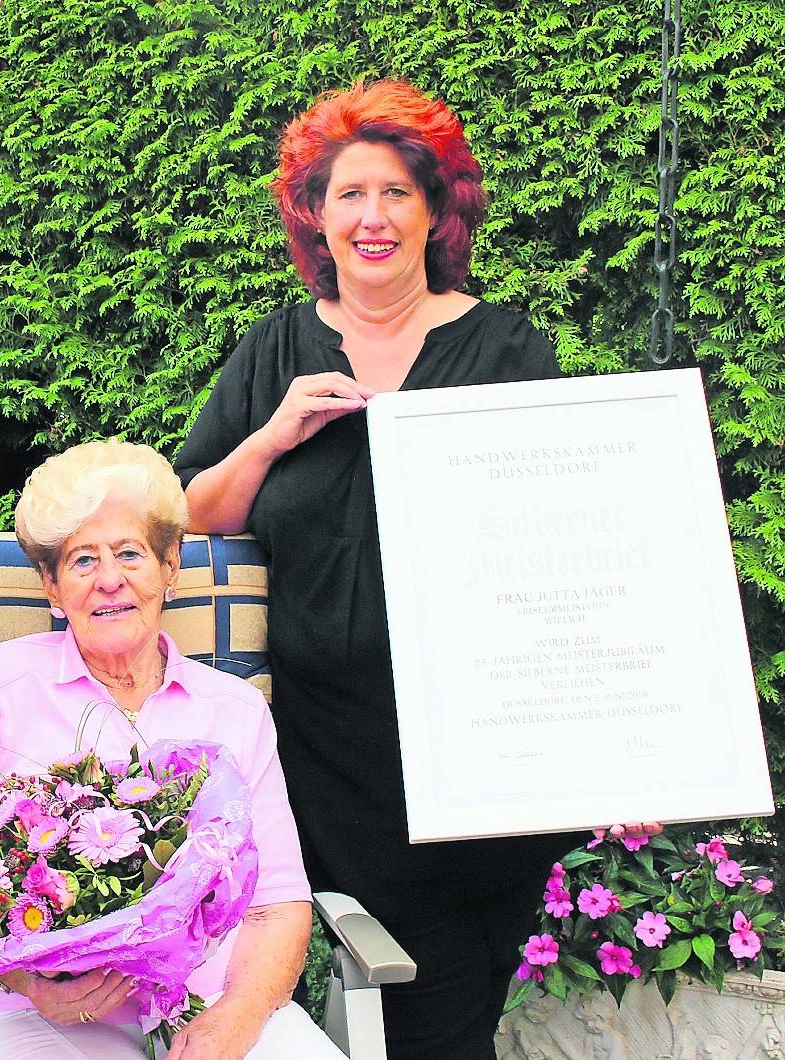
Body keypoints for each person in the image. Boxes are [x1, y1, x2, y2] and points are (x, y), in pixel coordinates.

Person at [173, 79, 657, 1058]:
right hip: (333, 760)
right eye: (348, 193)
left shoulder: (504, 348)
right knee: (417, 1003)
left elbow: (569, 536)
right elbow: (190, 512)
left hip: (487, 751)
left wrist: (621, 726)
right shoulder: (275, 349)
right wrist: (271, 435)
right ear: (314, 215)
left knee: (458, 990)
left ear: (436, 210)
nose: (373, 217)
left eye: (396, 192)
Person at [0, 439, 343, 1059]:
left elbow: (277, 903)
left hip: (207, 1001)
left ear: (169, 567)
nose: (110, 580)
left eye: (130, 553)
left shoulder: (235, 708)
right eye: (82, 561)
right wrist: (29, 983)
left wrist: (236, 1018)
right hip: (32, 1013)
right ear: (52, 587)